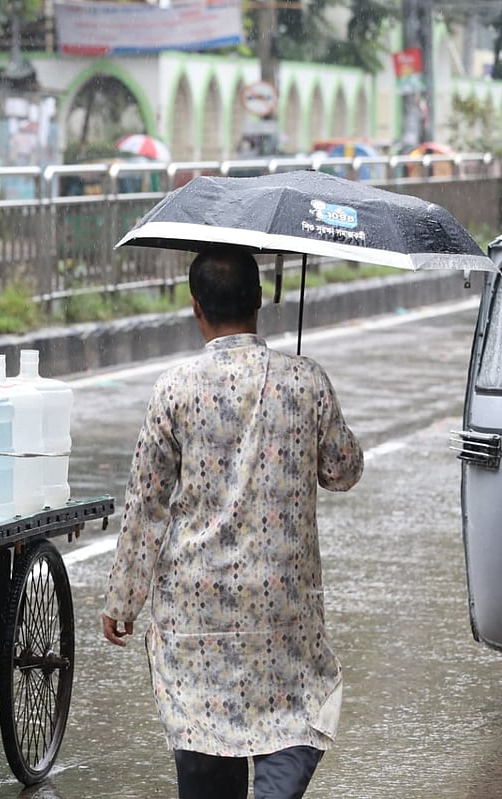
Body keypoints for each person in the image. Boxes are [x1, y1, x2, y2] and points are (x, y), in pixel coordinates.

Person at [101, 245, 363, 799]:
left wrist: (124, 599)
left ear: (195, 306)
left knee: (205, 744)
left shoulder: (174, 389)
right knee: (290, 721)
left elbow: (146, 504)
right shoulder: (306, 381)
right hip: (283, 610)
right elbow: (343, 471)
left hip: (197, 614)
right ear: (260, 299)